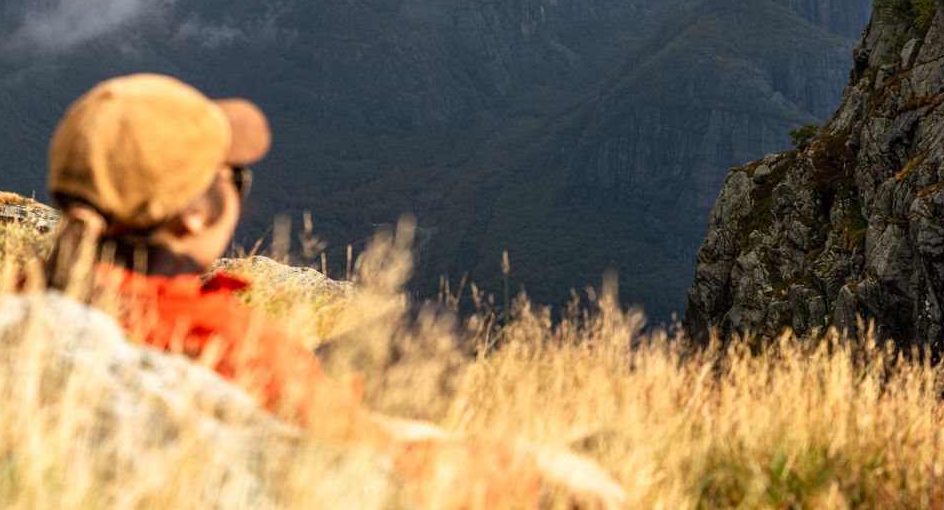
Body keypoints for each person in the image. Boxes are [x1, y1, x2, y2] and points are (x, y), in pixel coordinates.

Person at [39, 73, 623, 509]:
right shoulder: (221, 342)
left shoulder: (48, 298)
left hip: (268, 427)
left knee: (425, 329)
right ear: (192, 216)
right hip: (315, 461)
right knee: (611, 451)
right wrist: (539, 473)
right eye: (235, 177)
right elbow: (370, 467)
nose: (241, 191)